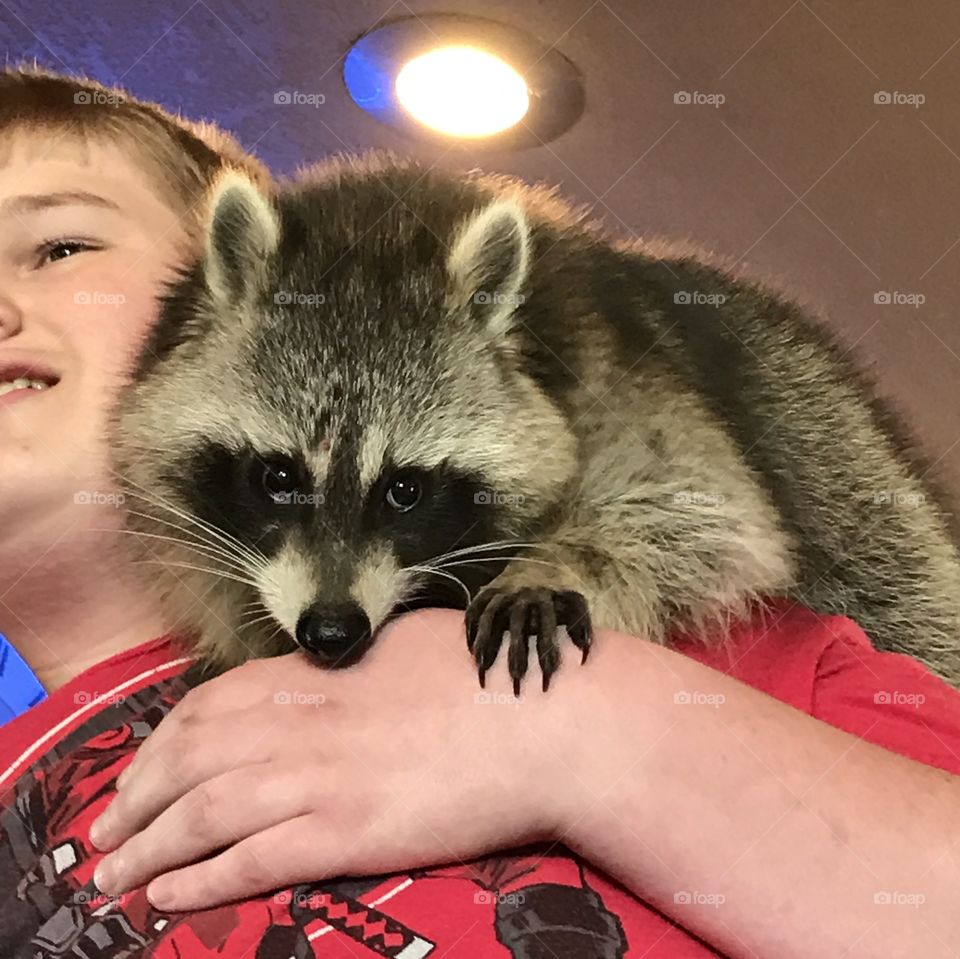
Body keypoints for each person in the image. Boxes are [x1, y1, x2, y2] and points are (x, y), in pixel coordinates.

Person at [1, 66, 960, 959]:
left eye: (58, 246)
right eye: (279, 484)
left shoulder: (665, 650)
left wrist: (578, 733)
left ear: (233, 264)